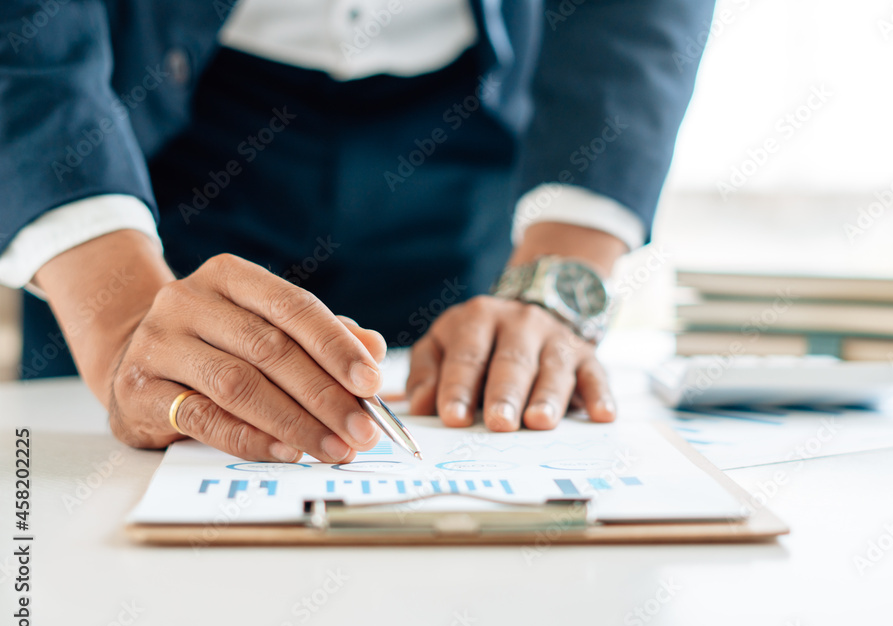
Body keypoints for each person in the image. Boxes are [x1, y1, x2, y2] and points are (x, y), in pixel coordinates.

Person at [0, 0, 713, 463]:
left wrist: (561, 274)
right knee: (109, 500)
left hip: (473, 130)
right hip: (136, 130)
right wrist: (119, 315)